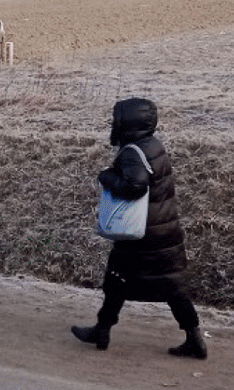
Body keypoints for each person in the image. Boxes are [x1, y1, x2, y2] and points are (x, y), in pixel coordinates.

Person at [71, 97, 206, 359]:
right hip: (164, 230)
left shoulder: (133, 151)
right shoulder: (153, 145)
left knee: (116, 280)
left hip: (141, 236)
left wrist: (106, 176)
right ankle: (194, 339)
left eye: (117, 119)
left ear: (128, 122)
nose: (113, 123)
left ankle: (101, 331)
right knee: (172, 287)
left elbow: (134, 187)